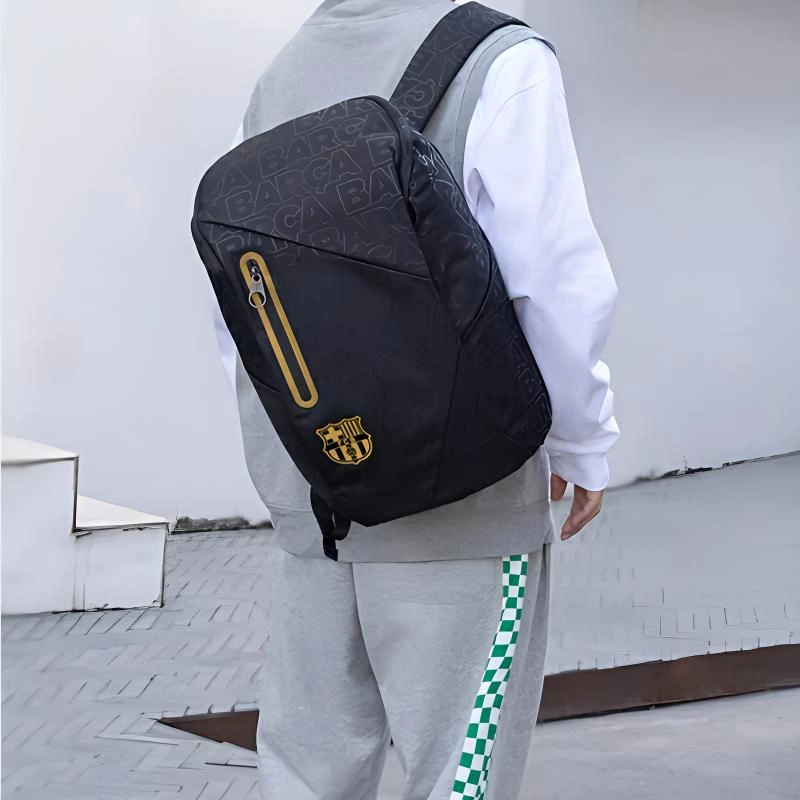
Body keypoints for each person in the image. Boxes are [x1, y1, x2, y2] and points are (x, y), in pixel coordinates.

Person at [208, 1, 618, 797]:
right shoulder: (500, 59)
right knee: (459, 773)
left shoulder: (284, 71)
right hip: (462, 504)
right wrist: (582, 440)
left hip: (315, 506)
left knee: (305, 773)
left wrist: (302, 459)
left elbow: (237, 313)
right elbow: (554, 278)